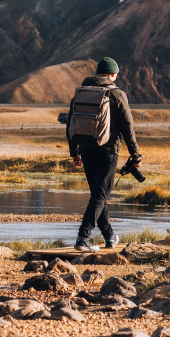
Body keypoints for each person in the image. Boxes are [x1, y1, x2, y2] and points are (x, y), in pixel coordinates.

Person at [67, 57, 141, 252]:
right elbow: (128, 126)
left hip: (84, 148)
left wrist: (74, 151)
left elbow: (70, 125)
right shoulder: (116, 94)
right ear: (113, 74)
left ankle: (109, 236)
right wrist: (135, 154)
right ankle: (83, 238)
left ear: (97, 72)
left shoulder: (81, 93)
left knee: (97, 195)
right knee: (100, 196)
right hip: (108, 150)